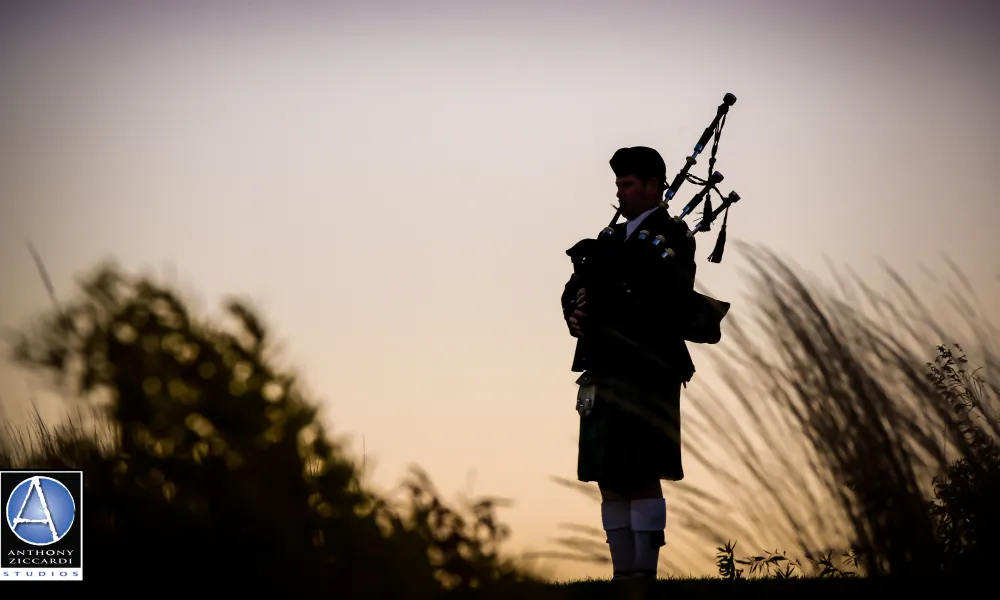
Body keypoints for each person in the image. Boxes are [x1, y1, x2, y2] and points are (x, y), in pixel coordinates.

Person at [560, 146, 697, 582]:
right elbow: (573, 287)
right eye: (618, 184)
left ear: (655, 186)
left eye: (629, 184)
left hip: (647, 368)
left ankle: (644, 575)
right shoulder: (608, 239)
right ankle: (623, 576)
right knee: (609, 473)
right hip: (604, 366)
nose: (620, 192)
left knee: (639, 470)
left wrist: (607, 296)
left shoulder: (673, 236)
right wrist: (574, 312)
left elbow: (664, 291)